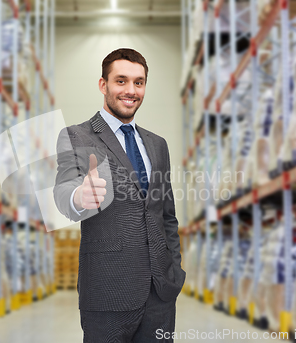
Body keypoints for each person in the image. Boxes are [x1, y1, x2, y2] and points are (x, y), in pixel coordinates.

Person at [54, 48, 185, 343]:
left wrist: (173, 270)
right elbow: (62, 191)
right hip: (107, 292)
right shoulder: (77, 136)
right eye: (121, 81)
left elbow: (166, 215)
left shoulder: (157, 144)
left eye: (139, 83)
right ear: (103, 85)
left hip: (160, 294)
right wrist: (79, 197)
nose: (131, 91)